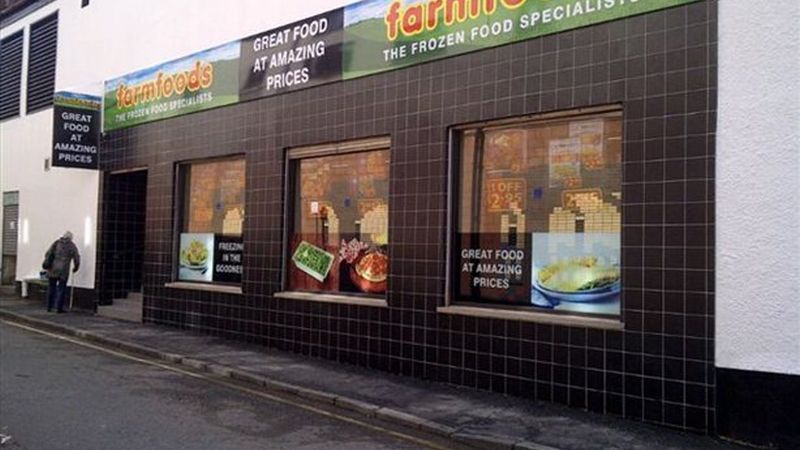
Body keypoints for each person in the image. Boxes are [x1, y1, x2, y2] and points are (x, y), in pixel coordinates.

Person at [43, 231, 80, 313]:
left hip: (53, 268)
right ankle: (58, 308)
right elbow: (76, 257)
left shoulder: (56, 243)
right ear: (70, 238)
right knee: (61, 289)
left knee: (51, 288)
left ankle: (49, 307)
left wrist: (48, 263)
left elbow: (48, 253)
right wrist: (76, 267)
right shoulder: (71, 246)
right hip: (63, 270)